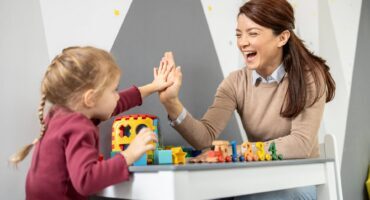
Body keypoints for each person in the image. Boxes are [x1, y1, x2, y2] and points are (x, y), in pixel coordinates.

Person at [158, 0, 335, 199]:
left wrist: (234, 152)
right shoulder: (235, 82)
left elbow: (300, 144)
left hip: (299, 183)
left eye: (253, 33)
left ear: (282, 38)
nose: (242, 43)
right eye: (239, 34)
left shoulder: (309, 76)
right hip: (258, 180)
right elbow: (204, 138)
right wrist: (171, 103)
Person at [9, 46, 173, 200]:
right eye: (113, 90)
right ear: (90, 98)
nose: (116, 96)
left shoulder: (60, 115)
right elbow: (86, 180)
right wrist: (127, 156)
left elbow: (113, 104)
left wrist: (153, 87)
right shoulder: (79, 127)